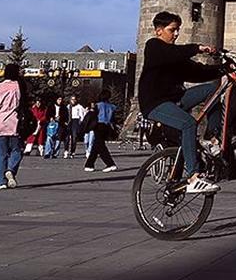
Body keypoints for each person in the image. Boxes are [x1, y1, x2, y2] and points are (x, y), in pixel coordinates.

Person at [138, 10, 225, 194]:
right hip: (155, 103)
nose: (176, 34)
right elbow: (173, 54)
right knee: (188, 124)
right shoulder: (154, 47)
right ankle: (194, 176)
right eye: (173, 30)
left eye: (178, 30)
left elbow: (198, 72)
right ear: (159, 30)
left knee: (213, 90)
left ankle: (211, 138)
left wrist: (223, 69)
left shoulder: (175, 56)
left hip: (176, 99)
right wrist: (198, 47)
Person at [0, 64, 25, 189]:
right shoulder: (19, 87)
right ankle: (11, 169)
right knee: (17, 150)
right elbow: (23, 104)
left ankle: (1, 182)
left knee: (0, 154)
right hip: (14, 123)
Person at [84, 90, 118, 172]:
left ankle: (110, 164)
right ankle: (89, 164)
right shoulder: (112, 106)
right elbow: (113, 119)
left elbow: (94, 116)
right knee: (96, 145)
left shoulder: (98, 105)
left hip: (99, 125)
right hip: (107, 126)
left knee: (101, 146)